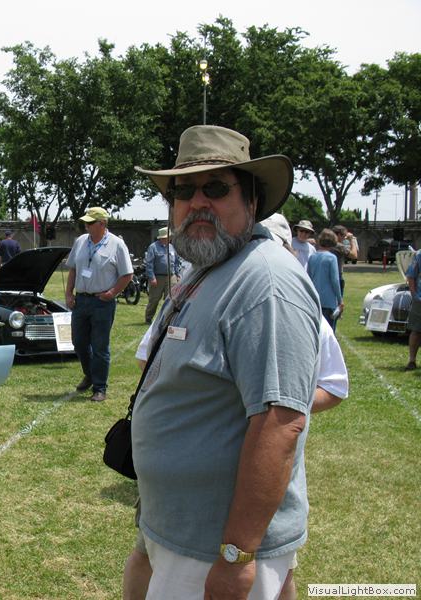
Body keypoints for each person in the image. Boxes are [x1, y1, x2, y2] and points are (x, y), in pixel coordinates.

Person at [132, 125, 321, 599]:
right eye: (183, 191)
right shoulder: (210, 267)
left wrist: (237, 555)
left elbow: (279, 424)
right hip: (183, 534)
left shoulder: (266, 282)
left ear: (251, 199)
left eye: (216, 188)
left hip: (216, 549)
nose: (197, 202)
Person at [64, 206, 133, 402]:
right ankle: (90, 374)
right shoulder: (80, 241)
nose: (86, 226)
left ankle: (100, 387)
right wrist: (69, 293)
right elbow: (73, 269)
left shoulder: (117, 244)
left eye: (90, 222)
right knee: (79, 343)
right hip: (81, 300)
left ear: (102, 224)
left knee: (100, 346)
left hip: (102, 302)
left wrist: (112, 293)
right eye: (85, 222)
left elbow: (127, 274)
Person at [143, 226, 182, 324]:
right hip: (157, 277)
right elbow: (149, 264)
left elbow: (177, 262)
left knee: (171, 299)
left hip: (171, 277)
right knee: (154, 299)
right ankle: (148, 318)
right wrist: (152, 277)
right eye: (168, 237)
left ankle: (168, 319)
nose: (170, 238)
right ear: (162, 238)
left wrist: (178, 274)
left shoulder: (172, 247)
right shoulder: (153, 247)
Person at [307, 229, 343, 331]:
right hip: (328, 300)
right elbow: (335, 280)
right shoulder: (332, 258)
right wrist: (340, 299)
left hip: (315, 299)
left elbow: (309, 277)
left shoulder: (312, 257)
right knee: (329, 329)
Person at [403, 248, 421, 371]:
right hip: (420, 299)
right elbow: (411, 276)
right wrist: (415, 295)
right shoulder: (419, 255)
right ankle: (412, 360)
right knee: (416, 330)